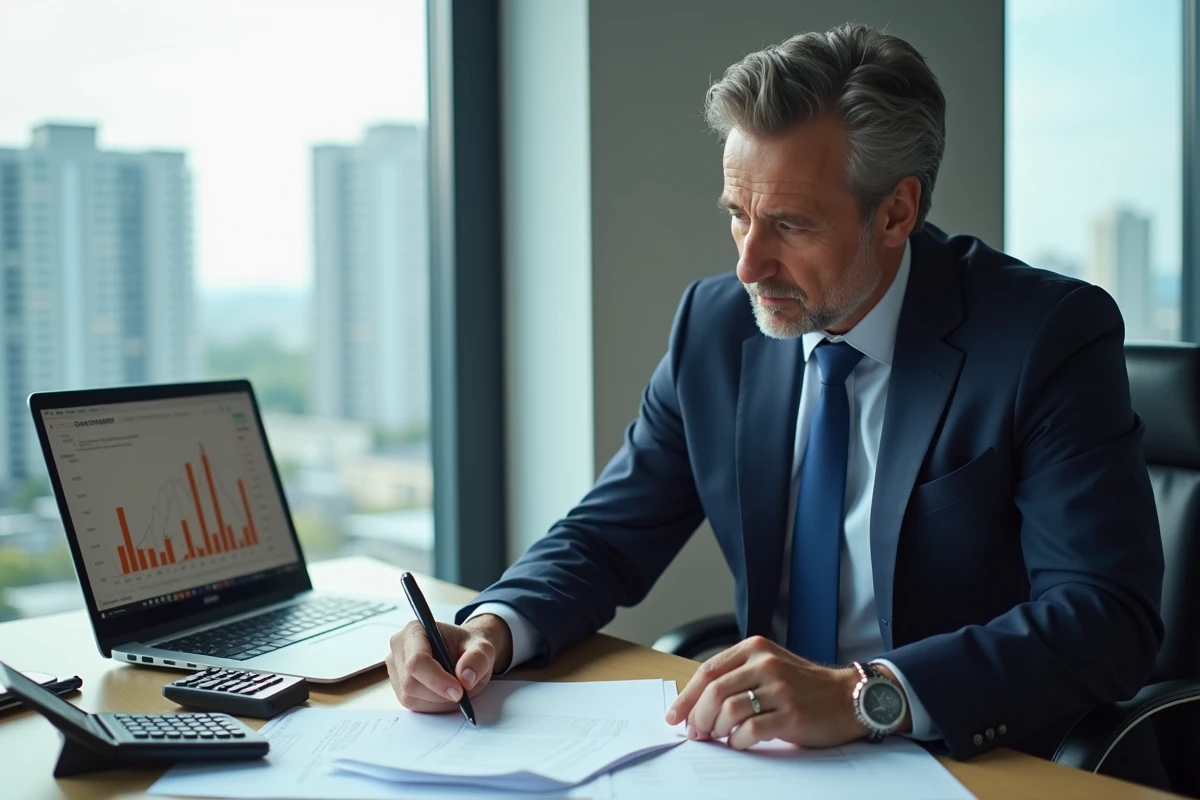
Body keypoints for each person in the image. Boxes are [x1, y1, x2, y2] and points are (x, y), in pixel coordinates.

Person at [385, 22, 1164, 774]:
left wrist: (866, 696)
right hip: (769, 761)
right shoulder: (717, 325)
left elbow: (1103, 619)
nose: (750, 265)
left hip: (969, 760)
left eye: (789, 224)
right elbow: (605, 537)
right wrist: (489, 626)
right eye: (737, 216)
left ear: (897, 211)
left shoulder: (1043, 337)